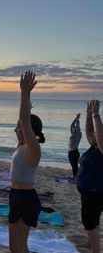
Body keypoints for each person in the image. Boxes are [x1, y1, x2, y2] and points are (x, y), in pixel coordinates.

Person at [8, 71, 45, 253]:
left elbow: (24, 119)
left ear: (27, 129)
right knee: (15, 247)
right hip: (16, 196)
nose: (16, 129)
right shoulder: (21, 145)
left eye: (18, 127)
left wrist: (23, 91)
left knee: (18, 247)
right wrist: (28, 97)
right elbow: (24, 117)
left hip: (25, 199)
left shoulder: (33, 148)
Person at [76, 99, 103, 253]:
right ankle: (90, 243)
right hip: (88, 191)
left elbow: (99, 135)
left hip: (96, 192)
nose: (92, 135)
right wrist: (88, 115)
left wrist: (96, 115)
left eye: (96, 134)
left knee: (89, 220)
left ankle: (96, 250)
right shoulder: (94, 148)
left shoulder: (101, 149)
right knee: (93, 220)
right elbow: (89, 131)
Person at [68, 113, 82, 180]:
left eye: (74, 128)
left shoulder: (78, 134)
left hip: (75, 152)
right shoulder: (72, 134)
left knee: (75, 165)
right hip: (70, 152)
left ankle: (76, 177)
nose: (73, 129)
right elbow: (71, 125)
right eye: (73, 128)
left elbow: (78, 126)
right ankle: (75, 176)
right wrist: (75, 119)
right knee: (73, 166)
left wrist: (77, 118)